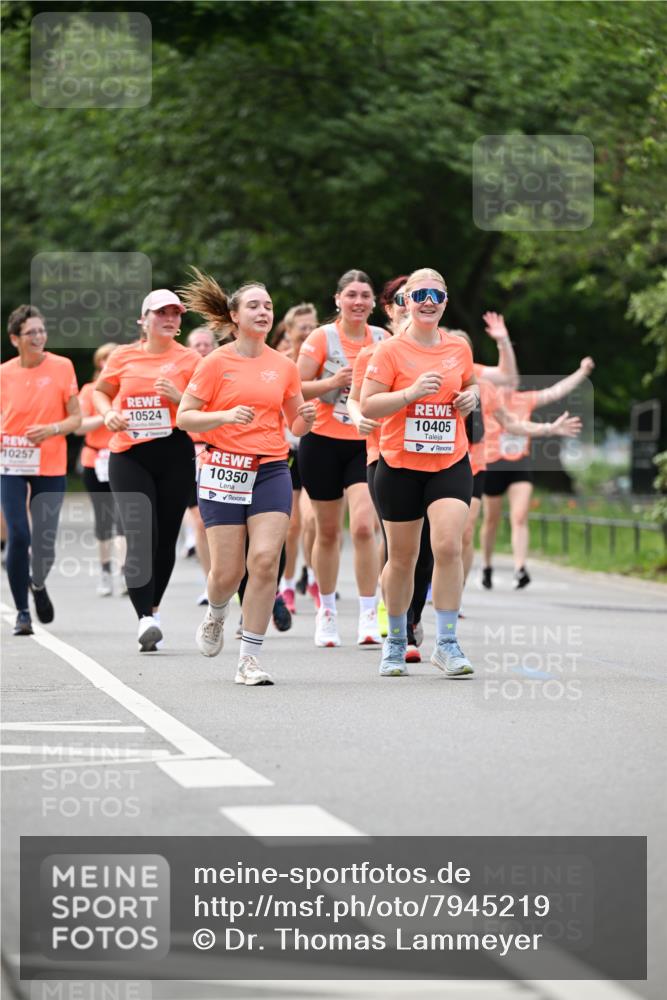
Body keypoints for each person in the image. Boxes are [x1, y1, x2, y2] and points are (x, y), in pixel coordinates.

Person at [176, 270, 316, 686]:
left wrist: (305, 419)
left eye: (268, 305)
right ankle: (217, 614)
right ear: (234, 316)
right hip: (222, 468)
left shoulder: (284, 366)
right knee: (228, 572)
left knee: (266, 559)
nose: (263, 311)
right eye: (254, 305)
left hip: (271, 467)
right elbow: (185, 416)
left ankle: (249, 658)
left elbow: (295, 423)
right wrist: (222, 416)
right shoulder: (215, 363)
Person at [361, 268, 479, 677]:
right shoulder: (389, 351)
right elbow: (369, 405)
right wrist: (410, 394)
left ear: (445, 301)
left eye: (437, 294)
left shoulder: (457, 349)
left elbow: (472, 382)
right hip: (398, 465)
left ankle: (447, 643)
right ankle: (395, 640)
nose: (429, 301)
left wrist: (470, 398)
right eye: (421, 294)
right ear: (405, 302)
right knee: (403, 557)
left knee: (448, 546)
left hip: (449, 461)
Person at [93, 289, 199, 650]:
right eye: (161, 313)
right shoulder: (123, 356)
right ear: (144, 319)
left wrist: (177, 398)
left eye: (175, 313)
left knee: (166, 536)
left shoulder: (190, 360)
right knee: (141, 532)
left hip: (174, 451)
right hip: (129, 454)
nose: (169, 319)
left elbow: (205, 408)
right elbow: (101, 391)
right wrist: (108, 413)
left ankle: (153, 607)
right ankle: (145, 618)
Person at [297, 270, 388, 647]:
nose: (358, 302)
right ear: (337, 299)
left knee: (365, 526)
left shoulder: (383, 339)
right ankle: (327, 609)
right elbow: (295, 385)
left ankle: (369, 611)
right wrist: (332, 384)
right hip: (321, 442)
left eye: (365, 295)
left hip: (363, 442)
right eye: (351, 295)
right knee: (328, 531)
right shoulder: (322, 338)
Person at [480, 357, 594, 589]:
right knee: (491, 520)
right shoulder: (488, 398)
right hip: (492, 464)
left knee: (520, 516)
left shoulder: (525, 399)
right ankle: (487, 565)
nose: (510, 383)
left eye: (513, 379)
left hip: (518, 465)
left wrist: (581, 373)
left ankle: (520, 568)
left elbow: (556, 391)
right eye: (506, 379)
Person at [1, 305, 80, 635]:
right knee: (19, 534)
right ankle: (22, 611)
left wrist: (52, 429)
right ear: (15, 338)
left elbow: (76, 419)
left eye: (42, 331)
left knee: (44, 541)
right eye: (31, 332)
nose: (38, 337)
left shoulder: (62, 367)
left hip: (50, 460)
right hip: (12, 462)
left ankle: (38, 582)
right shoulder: (4, 373)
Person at [277, 303, 320, 614]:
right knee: (291, 525)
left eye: (311, 327)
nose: (307, 333)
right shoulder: (278, 365)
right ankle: (287, 585)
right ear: (288, 331)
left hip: (317, 446)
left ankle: (316, 578)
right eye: (301, 328)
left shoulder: (324, 364)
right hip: (287, 450)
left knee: (313, 520)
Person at [75, 342, 126, 597]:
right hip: (95, 460)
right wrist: (107, 415)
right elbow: (78, 426)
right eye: (107, 358)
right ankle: (105, 571)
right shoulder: (90, 390)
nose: (111, 363)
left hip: (124, 459)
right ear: (100, 363)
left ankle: (126, 570)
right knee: (104, 519)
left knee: (124, 519)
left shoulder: (129, 388)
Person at [184, 326, 217, 603]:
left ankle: (228, 577)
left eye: (207, 344)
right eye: (197, 344)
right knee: (200, 522)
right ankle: (210, 582)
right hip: (188, 453)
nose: (202, 348)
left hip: (217, 451)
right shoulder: (182, 375)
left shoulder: (222, 372)